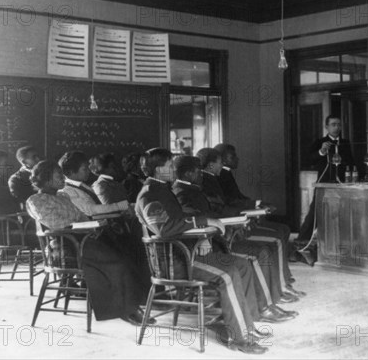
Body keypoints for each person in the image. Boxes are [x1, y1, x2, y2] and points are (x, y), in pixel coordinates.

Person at [135, 148, 272, 354]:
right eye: (170, 165)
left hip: (187, 253)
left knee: (242, 265)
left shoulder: (162, 190)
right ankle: (239, 338)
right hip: (176, 262)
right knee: (229, 274)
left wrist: (203, 234)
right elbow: (165, 228)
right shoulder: (149, 195)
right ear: (157, 169)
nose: (174, 168)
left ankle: (247, 326)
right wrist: (204, 221)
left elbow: (179, 221)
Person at [25, 160, 152, 326]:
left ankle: (131, 304)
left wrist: (90, 225)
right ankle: (125, 310)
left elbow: (82, 217)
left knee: (126, 253)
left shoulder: (63, 196)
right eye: (58, 175)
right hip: (65, 246)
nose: (63, 178)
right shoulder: (36, 200)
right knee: (115, 262)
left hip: (83, 239)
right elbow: (55, 225)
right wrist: (83, 226)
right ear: (46, 178)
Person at [172, 155, 299, 312]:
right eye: (199, 172)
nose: (202, 175)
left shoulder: (191, 189)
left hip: (219, 238)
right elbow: (198, 219)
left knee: (263, 250)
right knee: (259, 254)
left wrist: (236, 219)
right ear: (188, 174)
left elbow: (214, 213)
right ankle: (264, 306)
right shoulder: (181, 193)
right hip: (208, 246)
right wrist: (206, 235)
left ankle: (273, 297)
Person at [196, 148, 303, 300]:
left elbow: (227, 203)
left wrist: (254, 207)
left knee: (275, 239)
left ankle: (280, 285)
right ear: (212, 165)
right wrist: (247, 212)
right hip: (222, 235)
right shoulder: (207, 181)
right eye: (221, 162)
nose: (223, 165)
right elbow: (222, 207)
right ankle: (277, 289)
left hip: (228, 227)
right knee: (270, 244)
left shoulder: (213, 178)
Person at [58, 150, 150, 286]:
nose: (88, 171)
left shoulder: (82, 185)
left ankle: (135, 287)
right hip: (88, 235)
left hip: (96, 229)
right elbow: (91, 210)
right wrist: (123, 205)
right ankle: (132, 288)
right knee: (134, 243)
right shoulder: (68, 190)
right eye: (84, 169)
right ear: (71, 172)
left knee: (136, 239)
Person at [296, 116, 355, 263]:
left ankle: (339, 246)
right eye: (333, 124)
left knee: (342, 213)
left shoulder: (345, 143)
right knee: (315, 213)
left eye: (339, 125)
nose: (337, 127)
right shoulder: (319, 142)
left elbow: (352, 161)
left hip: (342, 184)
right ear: (326, 127)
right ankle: (301, 243)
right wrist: (322, 152)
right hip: (324, 183)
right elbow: (309, 160)